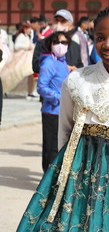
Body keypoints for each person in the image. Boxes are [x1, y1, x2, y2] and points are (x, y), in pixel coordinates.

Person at [16, 5, 109, 232]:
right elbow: (65, 130)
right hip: (77, 167)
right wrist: (65, 171)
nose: (107, 44)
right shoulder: (77, 80)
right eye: (100, 37)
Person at [37, 31, 71, 171]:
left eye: (64, 42)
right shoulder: (48, 62)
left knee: (61, 146)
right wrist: (58, 97)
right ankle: (47, 179)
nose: (60, 46)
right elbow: (41, 86)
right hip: (51, 111)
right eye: (56, 42)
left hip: (63, 111)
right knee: (51, 147)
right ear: (50, 44)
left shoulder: (63, 63)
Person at [0, 21, 35, 94]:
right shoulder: (21, 36)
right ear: (25, 29)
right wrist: (27, 46)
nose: (30, 31)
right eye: (29, 29)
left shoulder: (26, 36)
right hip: (19, 58)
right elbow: (17, 46)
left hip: (26, 58)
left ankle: (30, 91)